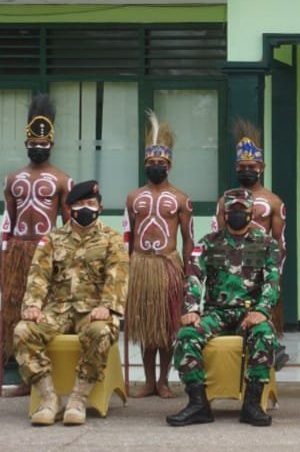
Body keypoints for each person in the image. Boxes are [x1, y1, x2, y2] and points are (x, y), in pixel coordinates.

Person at [13, 180, 128, 426]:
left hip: (93, 311)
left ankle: (78, 398)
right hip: (58, 310)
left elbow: (117, 275)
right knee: (23, 331)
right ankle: (48, 398)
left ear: (100, 207)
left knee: (101, 331)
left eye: (91, 203)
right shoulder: (52, 240)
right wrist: (33, 305)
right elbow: (38, 275)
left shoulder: (112, 239)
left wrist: (107, 306)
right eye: (79, 204)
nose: (85, 208)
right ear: (69, 210)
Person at [167, 188, 280, 427]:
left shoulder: (266, 243)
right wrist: (191, 309)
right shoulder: (208, 244)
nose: (237, 214)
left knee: (265, 335)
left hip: (250, 313)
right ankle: (198, 404)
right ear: (224, 214)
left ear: (251, 212)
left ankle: (252, 404)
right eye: (232, 210)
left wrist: (262, 310)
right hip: (215, 313)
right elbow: (193, 277)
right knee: (187, 335)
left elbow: (272, 281)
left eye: (242, 209)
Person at [0, 94, 73, 397]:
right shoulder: (13, 179)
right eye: (32, 143)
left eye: (43, 144)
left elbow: (69, 226)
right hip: (18, 250)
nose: (37, 148)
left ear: (52, 145)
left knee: (45, 314)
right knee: (18, 313)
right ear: (25, 143)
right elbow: (7, 222)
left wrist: (67, 260)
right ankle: (26, 378)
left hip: (47, 252)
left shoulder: (62, 180)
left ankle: (50, 375)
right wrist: (3, 260)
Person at [123, 111, 193, 398]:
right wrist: (125, 269)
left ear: (169, 165)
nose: (155, 167)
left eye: (160, 163)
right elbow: (127, 237)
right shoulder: (133, 197)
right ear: (144, 165)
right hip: (140, 265)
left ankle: (164, 380)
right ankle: (148, 381)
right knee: (145, 326)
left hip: (167, 265)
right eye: (151, 163)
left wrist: (188, 272)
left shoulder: (180, 199)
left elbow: (188, 239)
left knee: (166, 326)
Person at [212, 120, 288, 332]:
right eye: (242, 167)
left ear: (261, 168)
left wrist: (275, 278)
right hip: (231, 275)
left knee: (262, 330)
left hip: (262, 272)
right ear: (236, 168)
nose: (247, 170)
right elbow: (217, 239)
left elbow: (280, 243)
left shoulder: (274, 202)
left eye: (251, 167)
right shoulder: (224, 200)